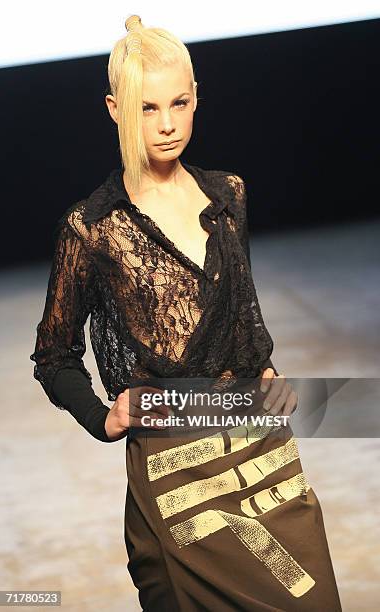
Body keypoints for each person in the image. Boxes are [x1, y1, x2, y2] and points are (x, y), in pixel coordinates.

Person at [30, 14, 342, 611]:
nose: (168, 124)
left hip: (259, 446)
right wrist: (102, 417)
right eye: (147, 108)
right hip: (174, 467)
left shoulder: (229, 195)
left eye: (179, 102)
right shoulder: (94, 228)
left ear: (197, 99)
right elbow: (54, 356)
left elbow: (241, 315)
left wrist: (266, 370)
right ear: (115, 109)